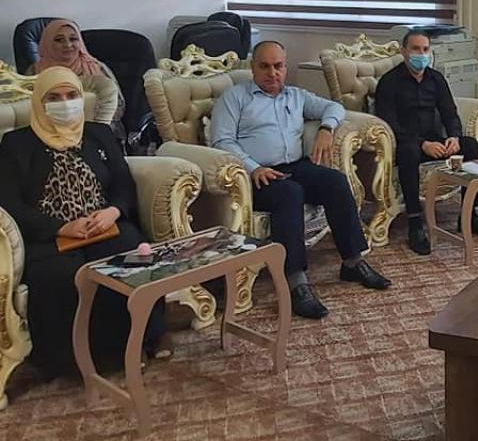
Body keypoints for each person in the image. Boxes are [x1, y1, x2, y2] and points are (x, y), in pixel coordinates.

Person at [0, 68, 169, 377]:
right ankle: (82, 358)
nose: (65, 104)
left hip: (104, 227)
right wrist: (59, 227)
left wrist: (113, 211)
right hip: (51, 238)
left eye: (71, 95)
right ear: (39, 102)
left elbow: (123, 183)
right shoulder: (15, 145)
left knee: (134, 260)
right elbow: (10, 203)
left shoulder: (98, 133)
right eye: (54, 98)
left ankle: (145, 337)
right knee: (65, 279)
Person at [210, 41, 390, 320]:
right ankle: (296, 283)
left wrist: (326, 129)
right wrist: (253, 167)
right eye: (265, 66)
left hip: (294, 166)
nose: (273, 73)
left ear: (286, 67)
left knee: (335, 182)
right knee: (290, 193)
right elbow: (222, 141)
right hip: (252, 177)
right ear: (253, 67)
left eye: (278, 66)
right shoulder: (235, 98)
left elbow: (334, 108)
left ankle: (353, 262)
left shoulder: (296, 96)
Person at [374, 29, 478, 256]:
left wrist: (453, 136)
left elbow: (450, 112)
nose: (421, 54)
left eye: (425, 49)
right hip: (406, 143)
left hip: (436, 141)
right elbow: (389, 122)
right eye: (415, 49)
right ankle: (415, 223)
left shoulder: (436, 79)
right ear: (404, 51)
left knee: (470, 145)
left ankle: (469, 215)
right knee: (410, 152)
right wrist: (422, 144)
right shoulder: (389, 82)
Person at [32, 19, 125, 141]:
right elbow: (28, 109)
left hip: (102, 133)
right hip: (49, 133)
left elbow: (119, 106)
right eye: (59, 40)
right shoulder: (35, 72)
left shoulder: (97, 67)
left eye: (73, 39)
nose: (68, 45)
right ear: (47, 43)